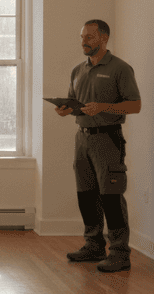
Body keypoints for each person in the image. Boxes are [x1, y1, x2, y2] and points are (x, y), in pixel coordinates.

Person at [57, 19, 142, 272]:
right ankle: (93, 245)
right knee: (86, 195)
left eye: (89, 38)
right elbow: (74, 101)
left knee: (111, 197)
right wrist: (65, 109)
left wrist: (104, 107)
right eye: (82, 37)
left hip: (108, 139)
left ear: (104, 39)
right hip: (82, 138)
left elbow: (135, 105)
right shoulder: (77, 70)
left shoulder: (120, 69)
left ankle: (119, 253)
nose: (83, 42)